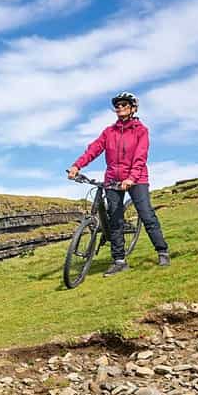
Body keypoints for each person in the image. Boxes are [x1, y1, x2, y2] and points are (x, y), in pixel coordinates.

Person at [66, 91, 170, 277]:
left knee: (146, 215)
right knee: (115, 219)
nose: (120, 108)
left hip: (137, 179)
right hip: (113, 178)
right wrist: (76, 165)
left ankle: (162, 251)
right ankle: (119, 261)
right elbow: (94, 149)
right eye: (117, 105)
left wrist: (131, 178)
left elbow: (140, 157)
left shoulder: (141, 130)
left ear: (132, 108)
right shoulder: (109, 132)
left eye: (124, 105)